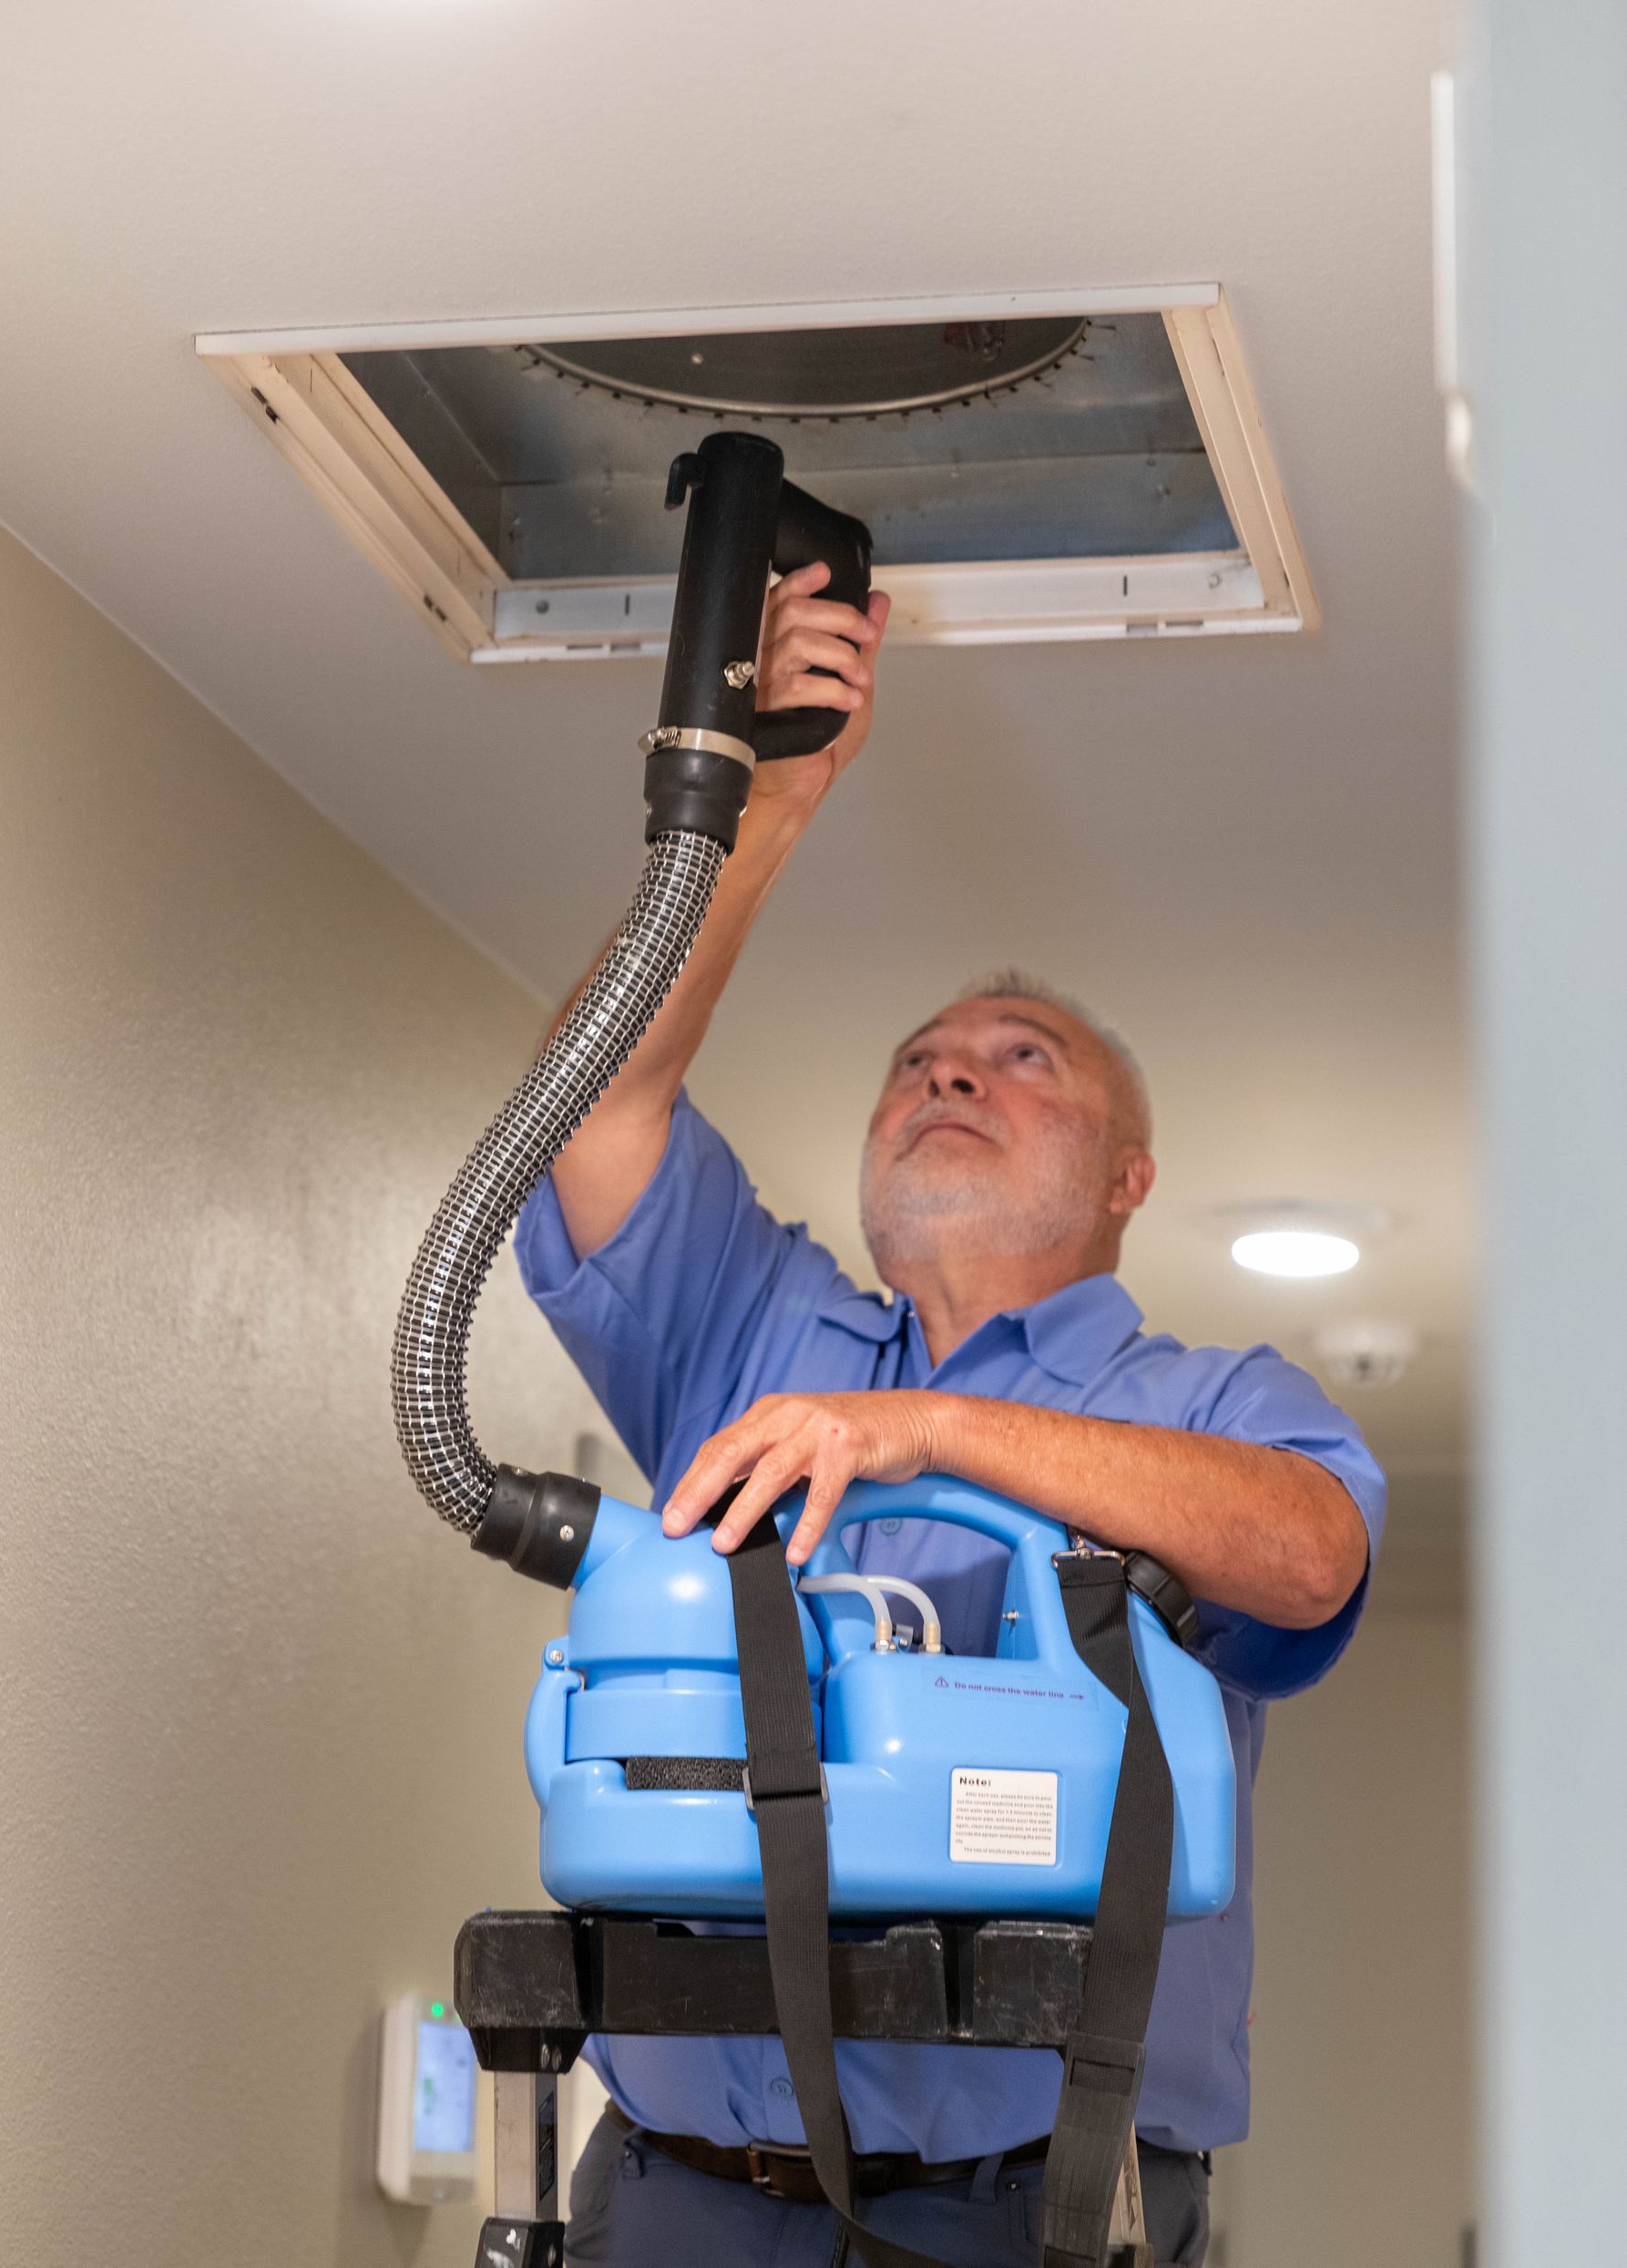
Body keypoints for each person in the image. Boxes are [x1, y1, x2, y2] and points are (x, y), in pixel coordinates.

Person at [513, 562, 1386, 2268]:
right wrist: (762, 803)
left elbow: (1312, 1551)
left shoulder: (1205, 1402)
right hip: (685, 2195)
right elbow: (589, 1112)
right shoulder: (751, 1326)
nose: (949, 1073)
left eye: (1021, 1058)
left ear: (1130, 1178)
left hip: (1032, 2220)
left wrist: (928, 1430)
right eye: (918, 1059)